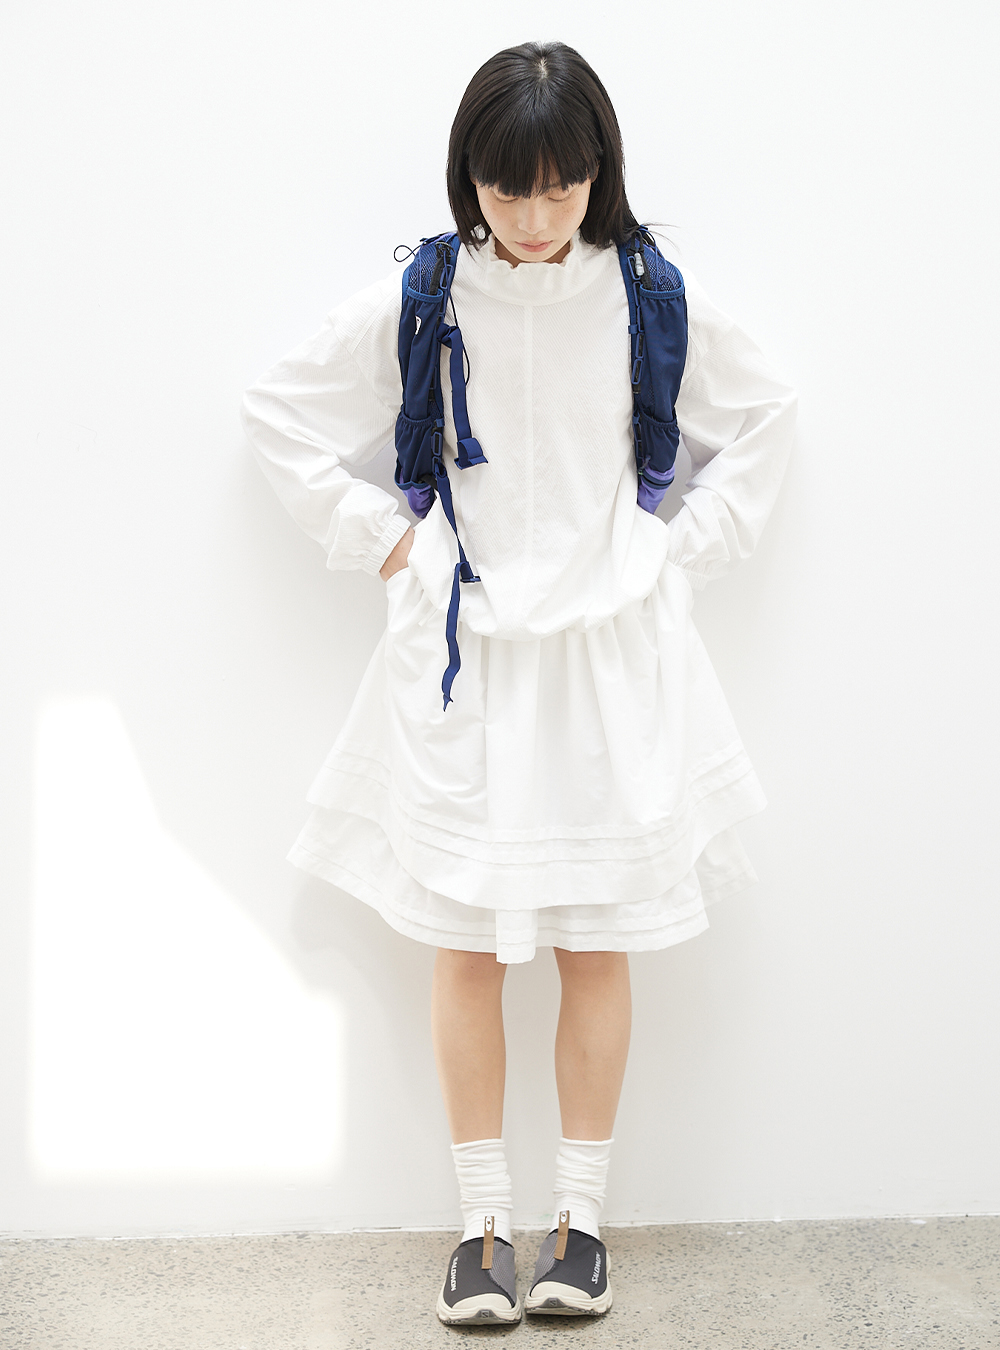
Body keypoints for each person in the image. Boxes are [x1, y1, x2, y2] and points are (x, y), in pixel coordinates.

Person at [241, 40, 796, 1325]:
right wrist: (385, 542)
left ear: (597, 173)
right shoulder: (427, 294)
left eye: (559, 186)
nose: (536, 216)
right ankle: (482, 1226)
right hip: (465, 668)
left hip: (607, 662)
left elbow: (767, 415)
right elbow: (275, 409)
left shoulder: (644, 292)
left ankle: (578, 1225)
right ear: (469, 180)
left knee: (596, 943)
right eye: (508, 189)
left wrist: (673, 553)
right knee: (465, 948)